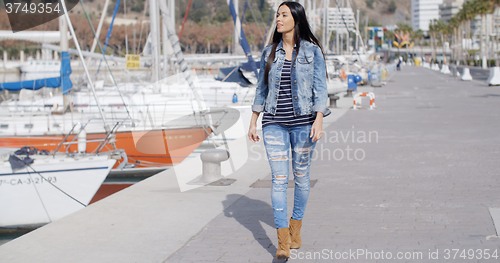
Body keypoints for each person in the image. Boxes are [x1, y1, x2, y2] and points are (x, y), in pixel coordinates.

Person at [247, 1, 331, 260]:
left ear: (296, 17)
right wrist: (253, 119)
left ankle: (296, 228)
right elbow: (262, 88)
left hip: (305, 122)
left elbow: (320, 87)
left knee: (302, 177)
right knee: (279, 179)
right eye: (277, 15)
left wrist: (319, 119)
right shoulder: (269, 52)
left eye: (284, 15)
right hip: (273, 122)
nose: (278, 19)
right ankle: (282, 242)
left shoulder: (312, 51)